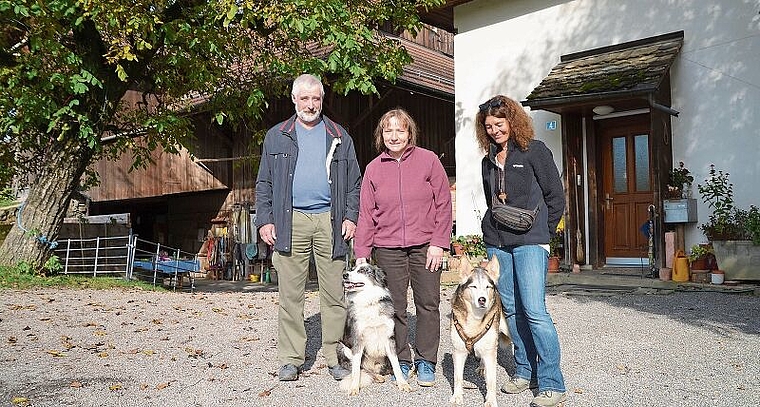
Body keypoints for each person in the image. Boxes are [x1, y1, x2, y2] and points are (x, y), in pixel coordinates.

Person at [255, 74, 361, 382]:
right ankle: (290, 359)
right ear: (294, 100)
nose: (310, 104)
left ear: (322, 100)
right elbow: (264, 183)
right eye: (305, 98)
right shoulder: (277, 136)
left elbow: (355, 183)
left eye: (316, 99)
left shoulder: (340, 135)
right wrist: (265, 219)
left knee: (334, 295)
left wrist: (351, 216)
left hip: (331, 220)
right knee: (291, 295)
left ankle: (334, 356)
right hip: (291, 221)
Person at [475, 95, 567, 406]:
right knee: (512, 310)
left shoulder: (535, 151)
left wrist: (543, 231)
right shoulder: (488, 159)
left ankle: (552, 381)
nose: (494, 131)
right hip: (498, 243)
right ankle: (525, 370)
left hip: (530, 242)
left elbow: (556, 197)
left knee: (534, 310)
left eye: (499, 125)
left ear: (513, 122)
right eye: (488, 126)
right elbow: (493, 201)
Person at [354, 108, 452, 386]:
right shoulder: (373, 168)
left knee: (428, 304)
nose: (394, 136)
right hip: (387, 248)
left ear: (410, 133)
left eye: (400, 130)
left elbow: (444, 204)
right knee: (394, 307)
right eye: (388, 130)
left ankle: (426, 361)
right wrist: (362, 253)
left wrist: (438, 242)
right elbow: (366, 214)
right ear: (381, 135)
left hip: (425, 246)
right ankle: (402, 359)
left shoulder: (429, 161)